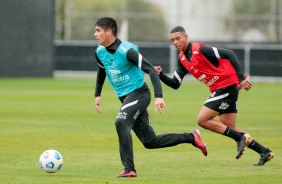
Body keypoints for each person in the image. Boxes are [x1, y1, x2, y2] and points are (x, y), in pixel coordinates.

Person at [93, 18, 208, 178]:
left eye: (98, 31)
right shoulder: (99, 52)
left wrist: (158, 97)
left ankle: (129, 169)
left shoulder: (127, 51)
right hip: (126, 98)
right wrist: (97, 94)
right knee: (150, 141)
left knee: (121, 121)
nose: (95, 34)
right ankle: (191, 137)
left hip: (140, 94)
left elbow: (152, 70)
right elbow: (102, 71)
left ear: (109, 31)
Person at [155, 26, 274, 166]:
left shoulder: (200, 49)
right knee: (228, 126)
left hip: (228, 86)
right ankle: (264, 152)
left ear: (186, 37)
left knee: (202, 119)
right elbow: (175, 83)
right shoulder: (182, 59)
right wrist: (161, 75)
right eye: (172, 40)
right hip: (222, 89)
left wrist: (241, 78)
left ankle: (240, 138)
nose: (175, 42)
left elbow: (229, 54)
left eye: (178, 38)